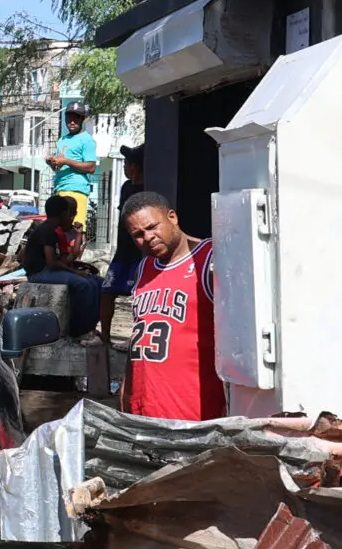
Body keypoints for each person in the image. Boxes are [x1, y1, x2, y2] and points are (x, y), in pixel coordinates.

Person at [120, 189, 226, 422]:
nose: (147, 237)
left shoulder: (210, 258)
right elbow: (139, 335)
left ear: (172, 217)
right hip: (145, 411)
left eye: (152, 227)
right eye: (137, 234)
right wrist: (126, 392)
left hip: (194, 413)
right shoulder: (144, 267)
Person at [17, 194, 102, 337]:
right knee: (84, 285)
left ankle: (91, 326)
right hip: (40, 273)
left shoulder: (50, 229)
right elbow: (51, 262)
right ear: (64, 213)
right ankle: (79, 330)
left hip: (47, 270)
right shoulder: (48, 230)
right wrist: (75, 273)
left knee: (98, 283)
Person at [99, 144, 147, 337]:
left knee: (140, 297)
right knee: (106, 292)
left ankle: (137, 339)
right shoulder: (126, 187)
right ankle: (104, 338)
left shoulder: (149, 188)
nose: (125, 167)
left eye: (127, 163)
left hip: (140, 254)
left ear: (135, 166)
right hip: (122, 253)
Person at [44, 101, 99, 232]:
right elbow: (59, 167)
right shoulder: (62, 140)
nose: (72, 121)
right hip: (60, 188)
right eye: (69, 117)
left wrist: (66, 161)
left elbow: (91, 167)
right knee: (58, 232)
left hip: (76, 190)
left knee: (76, 231)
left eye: (76, 118)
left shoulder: (87, 140)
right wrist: (52, 163)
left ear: (83, 119)